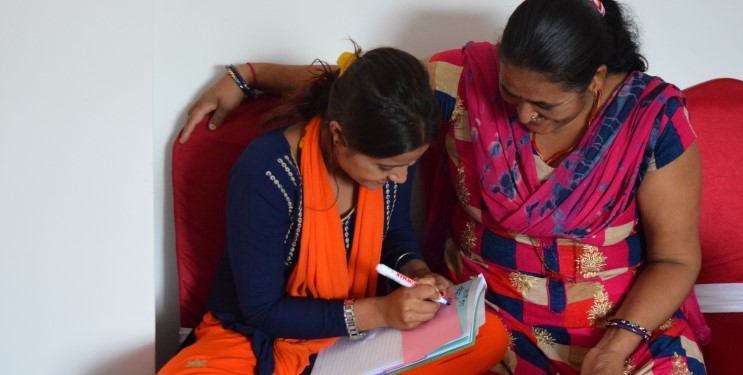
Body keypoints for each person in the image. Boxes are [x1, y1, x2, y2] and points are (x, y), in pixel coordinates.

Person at [178, 1, 710, 374]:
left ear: (594, 80)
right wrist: (249, 75)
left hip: (624, 332)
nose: (522, 115)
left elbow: (676, 260)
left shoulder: (652, 120)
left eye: (545, 105)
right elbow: (364, 94)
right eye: (509, 93)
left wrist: (616, 348)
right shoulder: (465, 87)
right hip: (494, 322)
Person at [160, 45, 507, 375]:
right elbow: (262, 311)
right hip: (259, 336)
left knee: (488, 336)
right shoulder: (266, 173)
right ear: (339, 135)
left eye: (409, 165)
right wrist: (381, 312)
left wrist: (417, 271)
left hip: (358, 333)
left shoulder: (398, 147)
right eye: (386, 167)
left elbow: (396, 234)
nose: (400, 179)